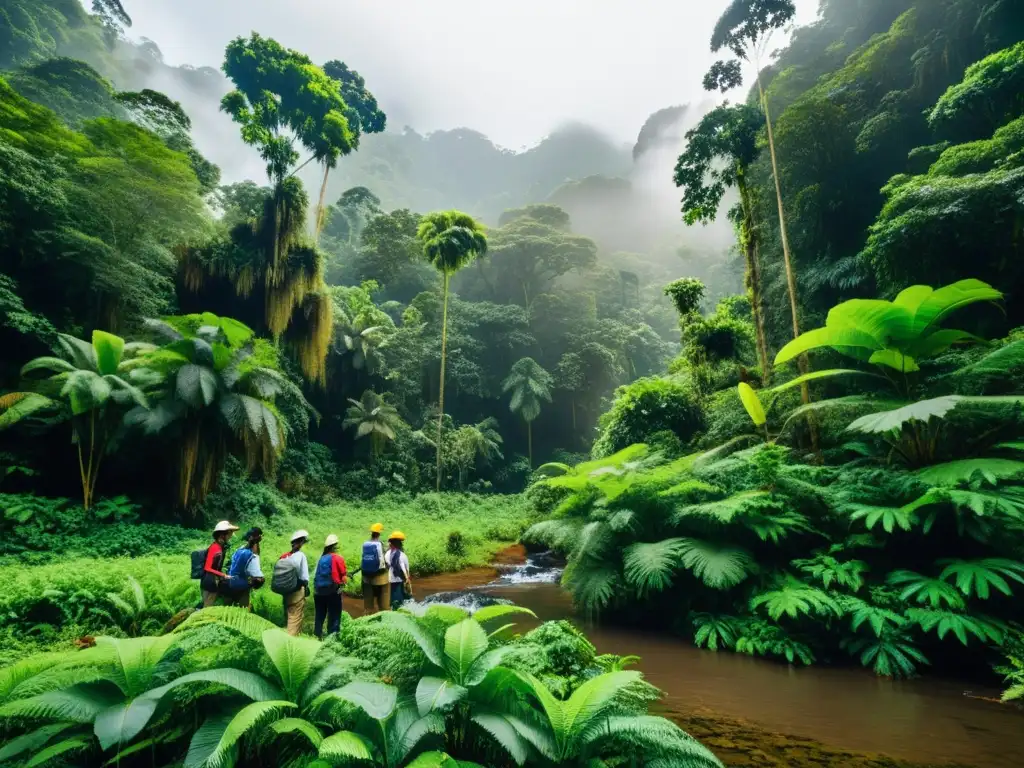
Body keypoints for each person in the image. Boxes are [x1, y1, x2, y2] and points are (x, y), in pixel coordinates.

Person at [313, 534, 347, 639]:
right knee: (334, 615)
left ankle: (317, 635)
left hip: (318, 592)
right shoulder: (337, 558)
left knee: (320, 615)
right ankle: (332, 638)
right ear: (334, 546)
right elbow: (344, 578)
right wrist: (343, 584)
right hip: (332, 592)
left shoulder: (321, 558)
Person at [200, 520, 239, 608]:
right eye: (229, 534)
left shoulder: (220, 547)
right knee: (206, 608)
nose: (230, 536)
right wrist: (223, 575)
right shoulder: (215, 548)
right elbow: (207, 567)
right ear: (222, 535)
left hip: (214, 581)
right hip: (209, 582)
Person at [279, 530, 310, 636]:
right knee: (295, 618)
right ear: (301, 542)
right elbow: (304, 577)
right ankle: (291, 642)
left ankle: (287, 634)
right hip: (297, 591)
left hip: (286, 591)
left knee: (288, 615)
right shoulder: (301, 556)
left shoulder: (285, 556)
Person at [226, 527, 264, 609]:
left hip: (230, 581)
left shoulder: (239, 550)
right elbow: (256, 572)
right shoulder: (251, 555)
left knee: (229, 608)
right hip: (241, 584)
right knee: (244, 608)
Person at [362, 522, 390, 614]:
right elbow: (386, 557)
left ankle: (368, 618)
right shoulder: (380, 544)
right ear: (379, 533)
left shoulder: (366, 544)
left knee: (368, 606)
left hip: (366, 578)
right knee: (384, 606)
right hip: (381, 579)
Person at [386, 531, 412, 610]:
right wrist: (408, 580)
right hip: (400, 580)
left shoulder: (387, 554)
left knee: (394, 600)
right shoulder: (403, 555)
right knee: (402, 601)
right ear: (400, 544)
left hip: (391, 580)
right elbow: (406, 570)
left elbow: (387, 566)